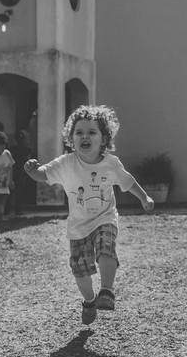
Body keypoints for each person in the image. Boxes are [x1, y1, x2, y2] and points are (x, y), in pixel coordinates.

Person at [24, 104, 154, 326]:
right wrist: (32, 171)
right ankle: (89, 300)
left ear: (104, 139)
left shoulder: (110, 163)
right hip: (78, 226)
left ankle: (106, 291)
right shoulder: (66, 163)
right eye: (79, 133)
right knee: (79, 271)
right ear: (71, 139)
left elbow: (128, 181)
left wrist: (144, 198)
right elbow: (44, 174)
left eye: (92, 132)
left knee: (106, 247)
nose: (85, 137)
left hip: (105, 218)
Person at [7, 129, 34, 215]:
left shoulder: (11, 149)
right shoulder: (26, 150)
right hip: (19, 171)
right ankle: (16, 209)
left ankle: (7, 210)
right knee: (18, 191)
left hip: (14, 171)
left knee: (11, 192)